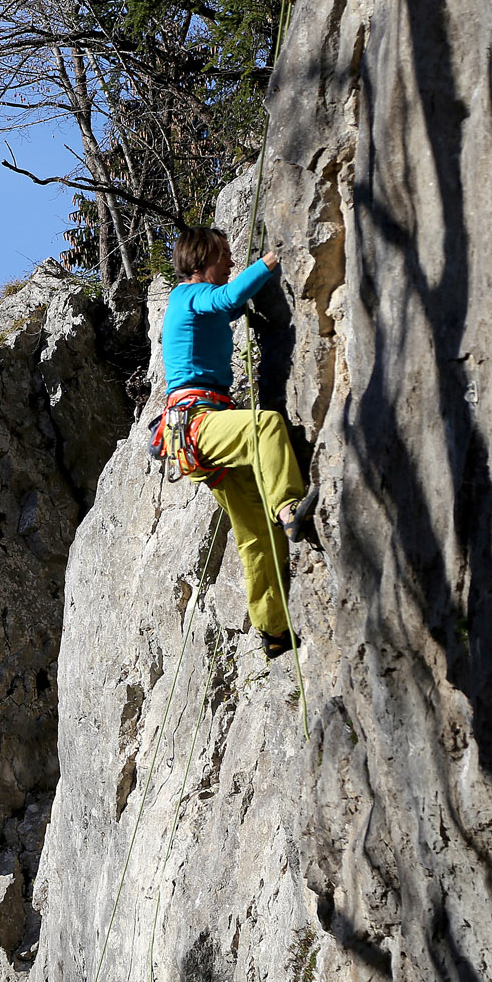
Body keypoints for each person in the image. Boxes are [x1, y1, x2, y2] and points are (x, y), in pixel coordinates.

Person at [158, 226, 318, 658]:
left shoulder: (194, 306)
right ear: (200, 260)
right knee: (265, 427)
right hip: (198, 421)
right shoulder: (186, 295)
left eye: (232, 255)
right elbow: (225, 299)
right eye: (223, 255)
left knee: (255, 535)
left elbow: (226, 309)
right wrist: (270, 260)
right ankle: (288, 506)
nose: (230, 262)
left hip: (194, 434)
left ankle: (273, 631)